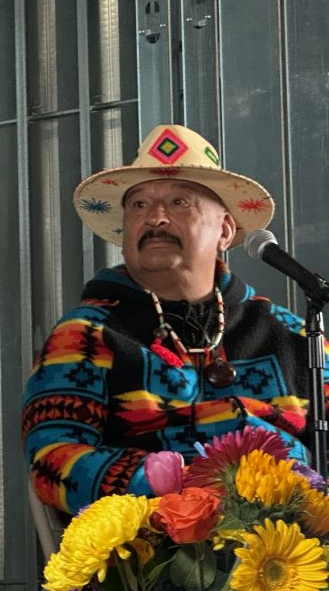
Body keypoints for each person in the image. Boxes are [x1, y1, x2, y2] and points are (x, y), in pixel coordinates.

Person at [22, 123, 329, 516]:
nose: (156, 218)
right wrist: (168, 485)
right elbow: (52, 460)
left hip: (292, 542)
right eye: (139, 205)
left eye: (180, 202)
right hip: (152, 553)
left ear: (225, 230)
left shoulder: (292, 333)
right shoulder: (85, 334)